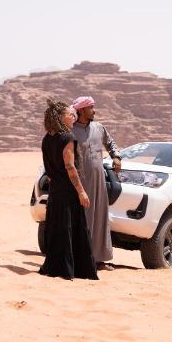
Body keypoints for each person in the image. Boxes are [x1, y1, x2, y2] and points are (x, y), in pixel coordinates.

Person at [39, 99, 98, 280]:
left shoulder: (47, 139)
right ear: (60, 117)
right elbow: (70, 167)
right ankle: (73, 270)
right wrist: (81, 191)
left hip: (55, 192)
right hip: (68, 192)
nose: (73, 117)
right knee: (74, 230)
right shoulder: (68, 138)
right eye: (69, 114)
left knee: (59, 230)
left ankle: (56, 268)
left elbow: (49, 170)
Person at [72, 96, 122, 271]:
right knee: (83, 219)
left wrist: (116, 156)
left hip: (99, 181)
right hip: (80, 183)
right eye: (91, 107)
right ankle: (81, 259)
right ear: (81, 110)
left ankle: (99, 260)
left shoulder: (99, 128)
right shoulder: (70, 130)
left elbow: (111, 143)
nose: (94, 110)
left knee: (100, 218)